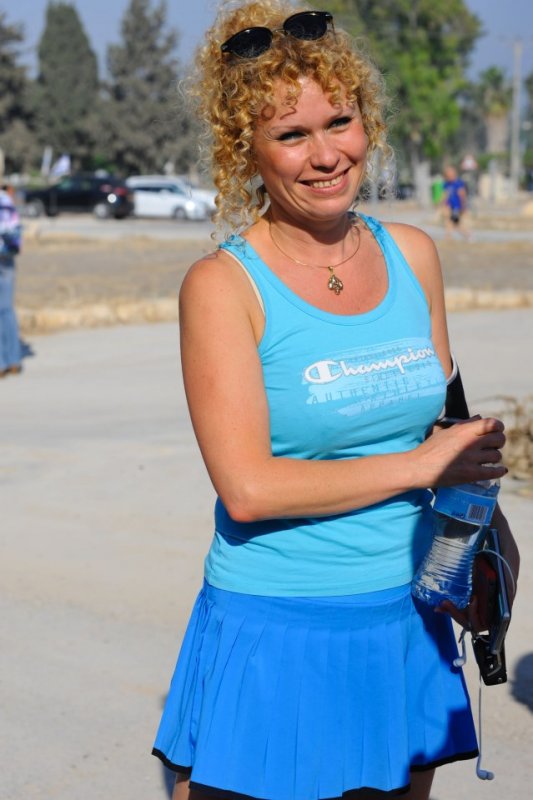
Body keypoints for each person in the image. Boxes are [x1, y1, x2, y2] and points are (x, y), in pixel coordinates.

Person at [152, 4, 520, 799]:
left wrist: (483, 540)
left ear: (366, 123)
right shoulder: (223, 286)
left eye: (339, 123)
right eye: (291, 135)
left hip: (408, 619)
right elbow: (247, 489)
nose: (325, 155)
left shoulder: (413, 254)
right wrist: (420, 464)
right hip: (280, 623)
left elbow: (444, 428)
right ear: (245, 151)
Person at [0, 184, 22, 377]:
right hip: (7, 256)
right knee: (7, 309)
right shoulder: (8, 201)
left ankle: (1, 363)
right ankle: (14, 360)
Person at [442, 165, 469, 240]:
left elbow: (462, 195)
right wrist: (443, 203)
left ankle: (467, 235)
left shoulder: (458, 183)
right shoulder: (446, 184)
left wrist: (463, 206)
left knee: (455, 223)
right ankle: (448, 236)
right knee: (449, 221)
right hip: (450, 206)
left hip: (457, 207)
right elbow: (445, 194)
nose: (450, 177)